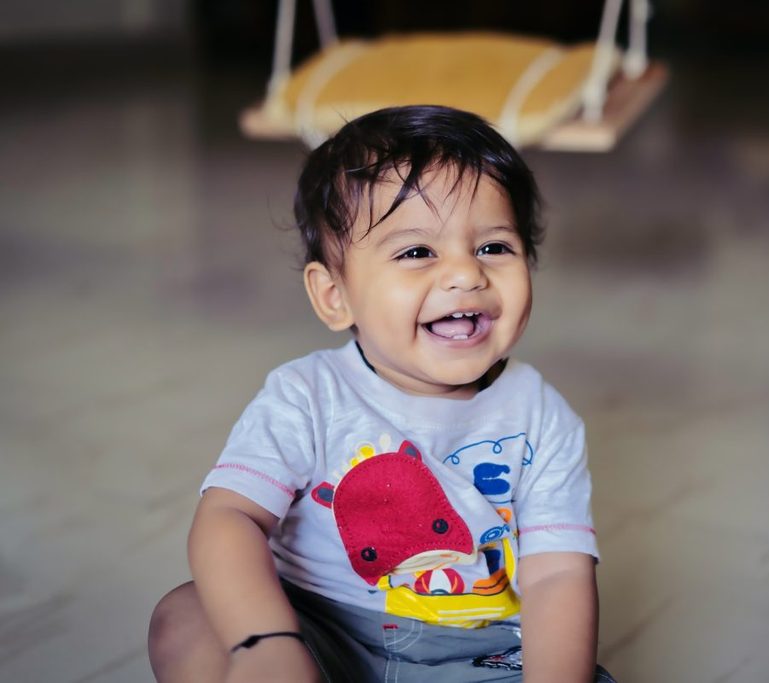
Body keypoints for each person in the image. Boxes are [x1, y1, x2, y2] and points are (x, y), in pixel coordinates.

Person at [148, 105, 613, 683]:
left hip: (481, 652)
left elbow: (557, 575)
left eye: (494, 247)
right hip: (320, 631)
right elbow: (231, 515)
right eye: (417, 252)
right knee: (185, 617)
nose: (466, 274)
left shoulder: (543, 415)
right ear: (334, 296)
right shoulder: (306, 397)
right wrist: (263, 641)